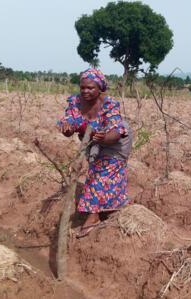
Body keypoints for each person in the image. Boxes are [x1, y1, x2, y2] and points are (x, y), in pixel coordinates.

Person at [57, 68, 132, 238]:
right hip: (91, 138)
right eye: (83, 87)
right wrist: (67, 128)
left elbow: (115, 131)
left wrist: (105, 138)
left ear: (100, 88)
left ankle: (93, 216)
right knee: (96, 168)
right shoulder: (75, 102)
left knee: (104, 172)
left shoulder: (110, 103)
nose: (85, 91)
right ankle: (111, 207)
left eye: (90, 88)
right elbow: (70, 124)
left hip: (116, 139)